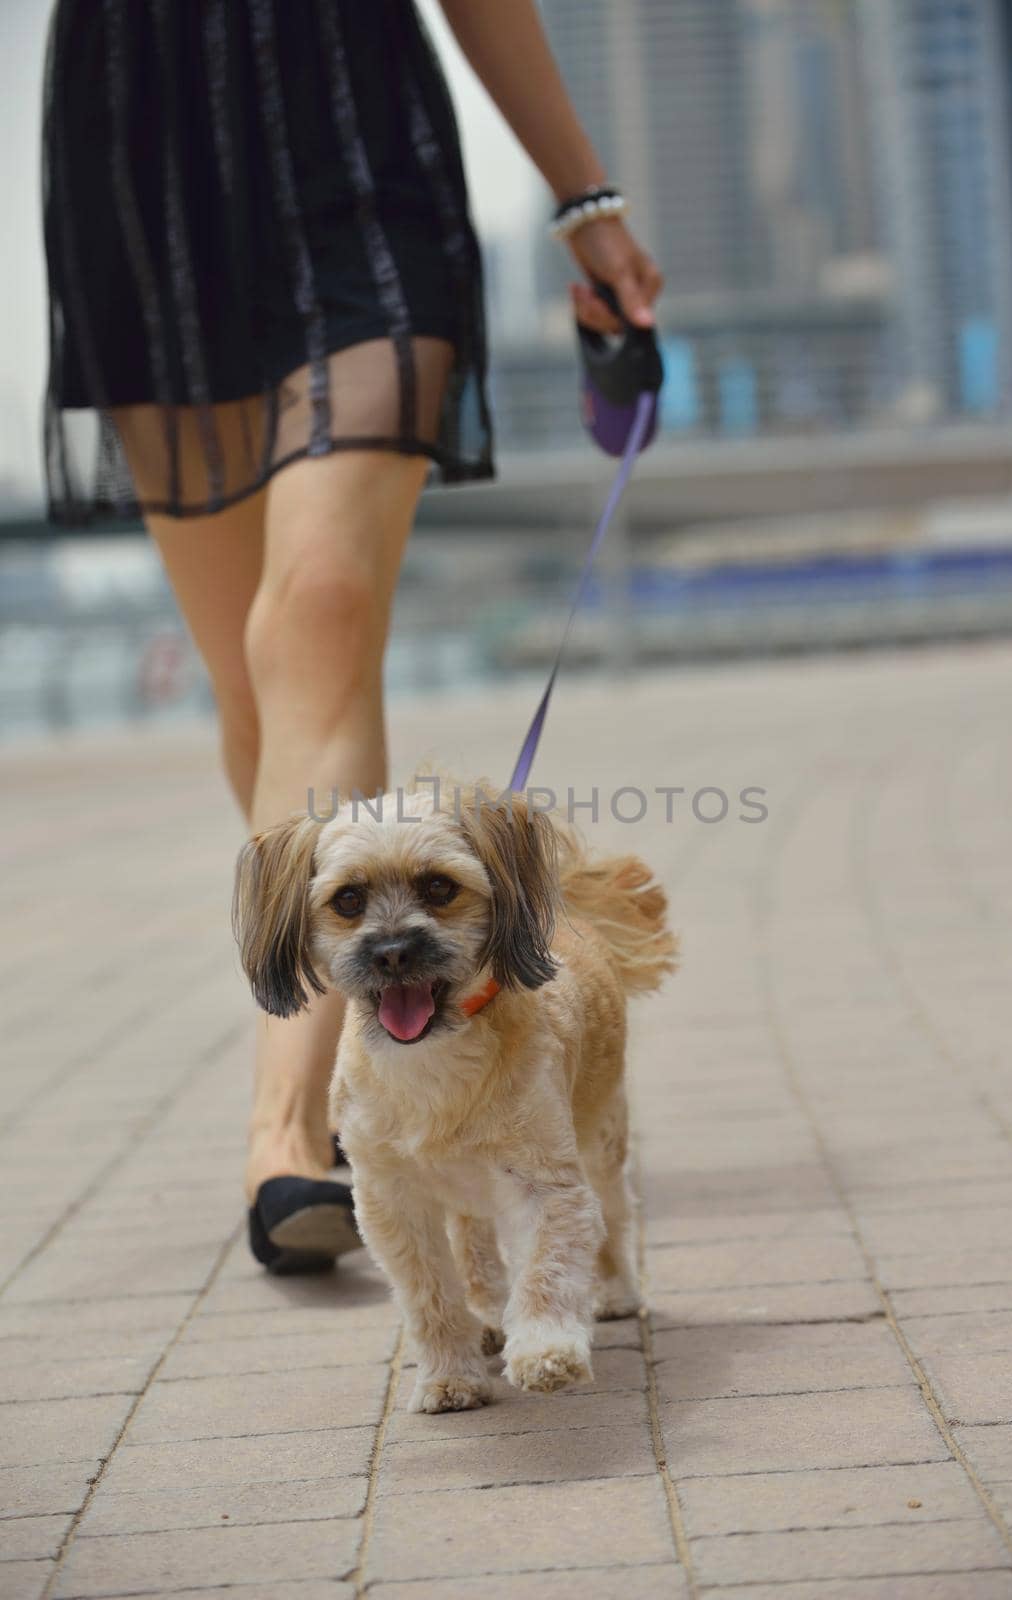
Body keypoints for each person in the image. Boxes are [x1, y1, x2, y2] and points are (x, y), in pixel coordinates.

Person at [41, 0, 664, 1271]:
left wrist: (581, 196)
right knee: (254, 683)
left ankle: (288, 1129)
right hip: (140, 136)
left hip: (355, 129)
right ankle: (388, 1036)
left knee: (317, 612)